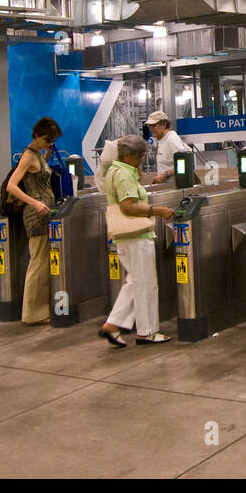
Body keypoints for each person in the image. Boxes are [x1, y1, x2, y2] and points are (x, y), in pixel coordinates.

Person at [96, 135, 175, 346]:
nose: (141, 159)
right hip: (136, 237)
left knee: (133, 282)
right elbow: (128, 206)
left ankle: (112, 326)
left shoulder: (117, 170)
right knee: (146, 285)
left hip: (126, 238)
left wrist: (136, 171)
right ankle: (147, 332)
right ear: (127, 155)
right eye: (139, 156)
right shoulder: (122, 175)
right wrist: (158, 211)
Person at [5, 116, 62, 325]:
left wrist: (46, 155)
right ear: (37, 135)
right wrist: (35, 203)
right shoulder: (28, 156)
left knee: (43, 261)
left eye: (53, 142)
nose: (51, 144)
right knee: (38, 262)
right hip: (36, 215)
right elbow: (12, 186)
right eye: (47, 140)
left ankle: (40, 309)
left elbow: (39, 177)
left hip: (45, 213)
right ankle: (33, 314)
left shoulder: (38, 154)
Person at [143, 110, 188, 184]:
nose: (151, 129)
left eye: (153, 125)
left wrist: (164, 175)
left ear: (164, 124)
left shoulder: (171, 140)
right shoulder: (162, 140)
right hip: (168, 186)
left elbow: (184, 164)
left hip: (176, 187)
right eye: (149, 126)